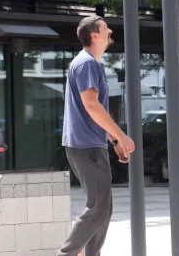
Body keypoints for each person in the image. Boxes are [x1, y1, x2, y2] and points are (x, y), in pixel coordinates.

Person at [58, 15, 135, 256]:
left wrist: (112, 139)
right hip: (86, 145)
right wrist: (121, 136)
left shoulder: (87, 63)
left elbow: (92, 108)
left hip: (89, 143)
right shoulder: (86, 63)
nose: (110, 30)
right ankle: (68, 253)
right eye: (105, 28)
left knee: (103, 208)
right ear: (94, 35)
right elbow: (91, 105)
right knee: (98, 207)